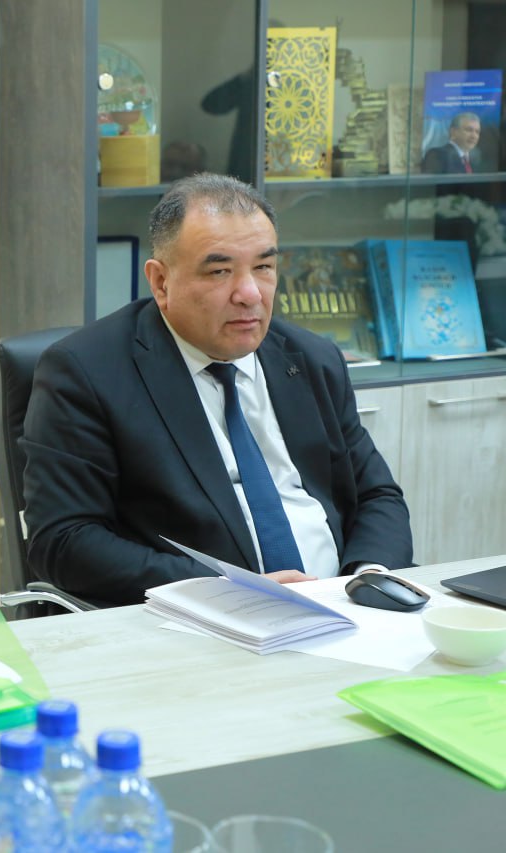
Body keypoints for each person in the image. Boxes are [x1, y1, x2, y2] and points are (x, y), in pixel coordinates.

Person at [21, 174, 412, 606]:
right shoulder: (86, 372)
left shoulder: (312, 359)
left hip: (344, 606)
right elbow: (64, 540)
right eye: (220, 271)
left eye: (263, 267)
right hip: (202, 621)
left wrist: (368, 577)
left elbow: (376, 494)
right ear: (161, 282)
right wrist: (230, 588)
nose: (250, 294)